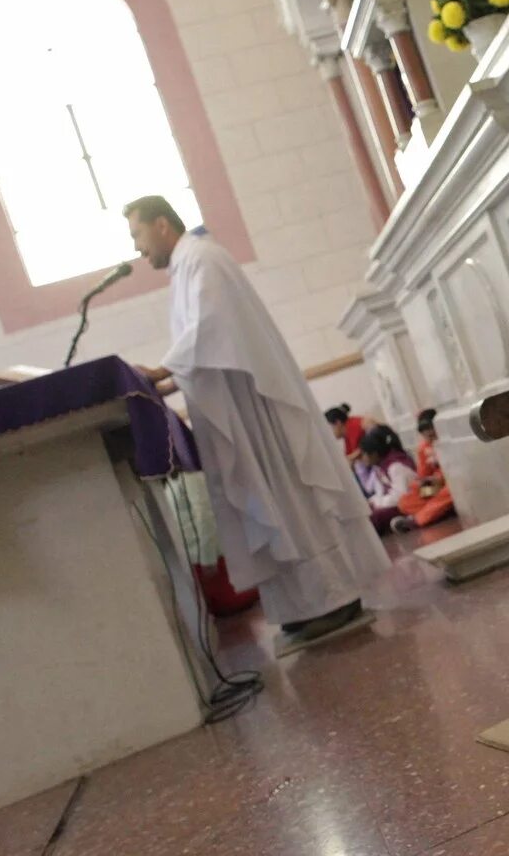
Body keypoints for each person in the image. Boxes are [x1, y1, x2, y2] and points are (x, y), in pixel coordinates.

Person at [127, 196, 389, 651]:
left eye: (137, 234)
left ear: (163, 224)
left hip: (255, 411)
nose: (137, 248)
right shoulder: (188, 266)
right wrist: (171, 381)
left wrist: (164, 369)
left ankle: (332, 599)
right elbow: (207, 343)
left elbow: (212, 325)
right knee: (268, 506)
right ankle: (300, 607)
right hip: (237, 410)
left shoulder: (202, 258)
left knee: (287, 500)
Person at [390, 409, 456, 533]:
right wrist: (424, 482)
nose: (430, 440)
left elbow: (458, 469)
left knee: (450, 492)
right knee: (405, 502)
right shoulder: (423, 448)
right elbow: (423, 475)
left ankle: (417, 520)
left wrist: (440, 478)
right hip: (435, 488)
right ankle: (436, 511)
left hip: (451, 483)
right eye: (426, 437)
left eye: (432, 435)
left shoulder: (450, 441)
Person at [354, 425, 418, 534]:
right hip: (393, 503)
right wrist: (372, 502)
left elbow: (399, 497)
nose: (363, 459)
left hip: (407, 504)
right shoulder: (380, 467)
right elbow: (380, 493)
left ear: (374, 453)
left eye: (363, 454)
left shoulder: (395, 466)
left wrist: (377, 503)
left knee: (374, 518)